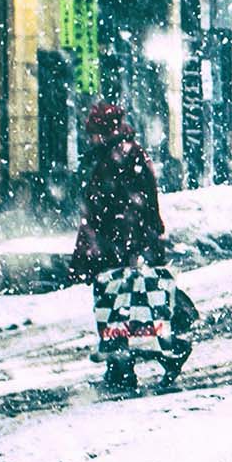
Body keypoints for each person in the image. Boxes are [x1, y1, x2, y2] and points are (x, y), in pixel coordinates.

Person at [68, 103, 189, 394]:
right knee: (115, 307)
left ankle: (146, 359)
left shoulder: (126, 155)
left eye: (94, 133)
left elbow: (142, 202)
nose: (91, 138)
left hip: (120, 245)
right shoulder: (108, 156)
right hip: (108, 244)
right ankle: (123, 365)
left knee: (125, 307)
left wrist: (138, 243)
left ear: (106, 131)